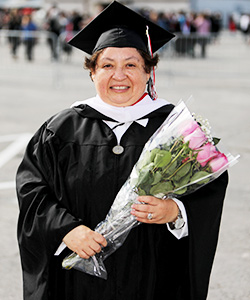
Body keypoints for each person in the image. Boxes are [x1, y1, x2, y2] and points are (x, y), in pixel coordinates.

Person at [16, 1, 228, 300]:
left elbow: (209, 188)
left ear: (148, 71)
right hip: (77, 282)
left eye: (131, 65)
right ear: (92, 73)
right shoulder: (61, 128)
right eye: (107, 65)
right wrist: (66, 230)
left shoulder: (178, 129)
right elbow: (32, 190)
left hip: (154, 277)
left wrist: (176, 211)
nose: (119, 75)